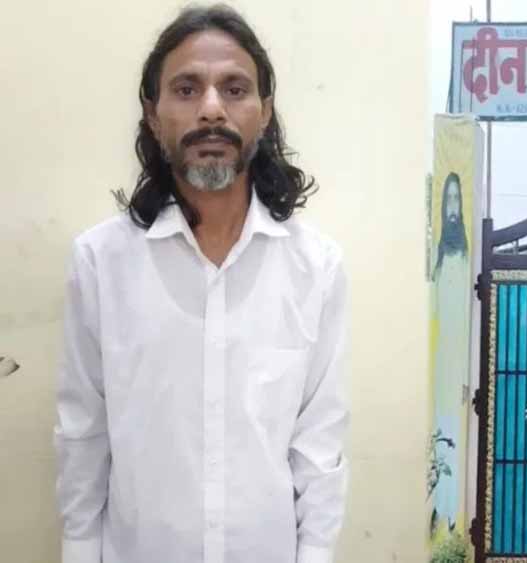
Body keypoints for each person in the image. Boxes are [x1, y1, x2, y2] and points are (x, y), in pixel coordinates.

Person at [53, 5, 349, 563]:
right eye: (186, 89)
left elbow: (319, 448)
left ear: (264, 112)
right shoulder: (99, 263)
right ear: (153, 112)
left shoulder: (316, 269)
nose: (212, 108)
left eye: (234, 89)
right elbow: (82, 438)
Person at [429, 172, 469, 535]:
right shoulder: (438, 258)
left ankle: (452, 513)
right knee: (440, 432)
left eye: (458, 199)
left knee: (455, 432)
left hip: (459, 363)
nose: (453, 207)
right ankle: (438, 508)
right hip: (441, 359)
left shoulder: (467, 258)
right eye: (450, 200)